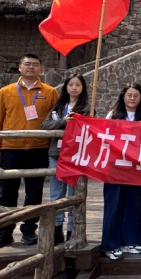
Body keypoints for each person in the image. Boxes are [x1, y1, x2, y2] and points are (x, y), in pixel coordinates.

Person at [0, 54, 58, 250]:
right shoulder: (6, 92)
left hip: (38, 149)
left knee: (34, 192)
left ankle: (29, 230)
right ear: (19, 67)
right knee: (7, 192)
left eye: (35, 64)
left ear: (41, 68)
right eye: (27, 64)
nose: (31, 67)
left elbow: (56, 119)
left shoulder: (50, 92)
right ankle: (4, 231)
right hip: (10, 149)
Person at [101, 83, 141, 260]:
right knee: (113, 205)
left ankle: (131, 241)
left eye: (136, 95)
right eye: (129, 95)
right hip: (115, 167)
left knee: (133, 203)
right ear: (123, 96)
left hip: (136, 168)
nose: (132, 98)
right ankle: (111, 244)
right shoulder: (113, 115)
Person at [41, 73, 90, 245]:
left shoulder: (87, 108)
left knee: (74, 194)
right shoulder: (59, 106)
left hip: (76, 157)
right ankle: (56, 230)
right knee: (56, 194)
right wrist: (63, 121)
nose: (74, 88)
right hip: (57, 154)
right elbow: (45, 125)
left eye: (78, 85)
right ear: (66, 87)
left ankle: (72, 231)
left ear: (83, 88)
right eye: (71, 85)